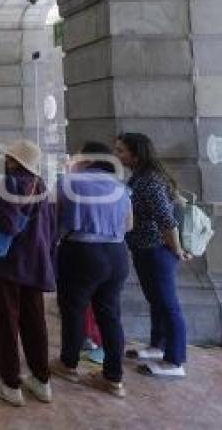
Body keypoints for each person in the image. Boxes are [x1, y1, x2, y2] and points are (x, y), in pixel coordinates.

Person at [0, 140, 57, 406]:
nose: (5, 160)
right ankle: (41, 380)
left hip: (10, 262)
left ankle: (10, 383)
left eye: (8, 156)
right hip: (36, 261)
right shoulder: (42, 184)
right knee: (35, 320)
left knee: (5, 320)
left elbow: (8, 224)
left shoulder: (10, 183)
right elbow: (50, 225)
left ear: (15, 161)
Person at [52, 142, 133, 397]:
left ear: (86, 159)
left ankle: (68, 364)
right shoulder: (121, 187)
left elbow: (54, 220)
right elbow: (129, 224)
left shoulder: (69, 182)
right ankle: (113, 378)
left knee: (74, 309)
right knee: (110, 315)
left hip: (82, 252)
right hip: (117, 254)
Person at [114, 133, 190, 378]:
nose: (118, 155)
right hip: (144, 249)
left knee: (168, 304)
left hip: (156, 250)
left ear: (137, 155)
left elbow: (167, 222)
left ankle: (175, 361)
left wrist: (176, 250)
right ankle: (158, 346)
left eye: (122, 151)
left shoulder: (150, 182)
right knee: (156, 300)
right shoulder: (140, 178)